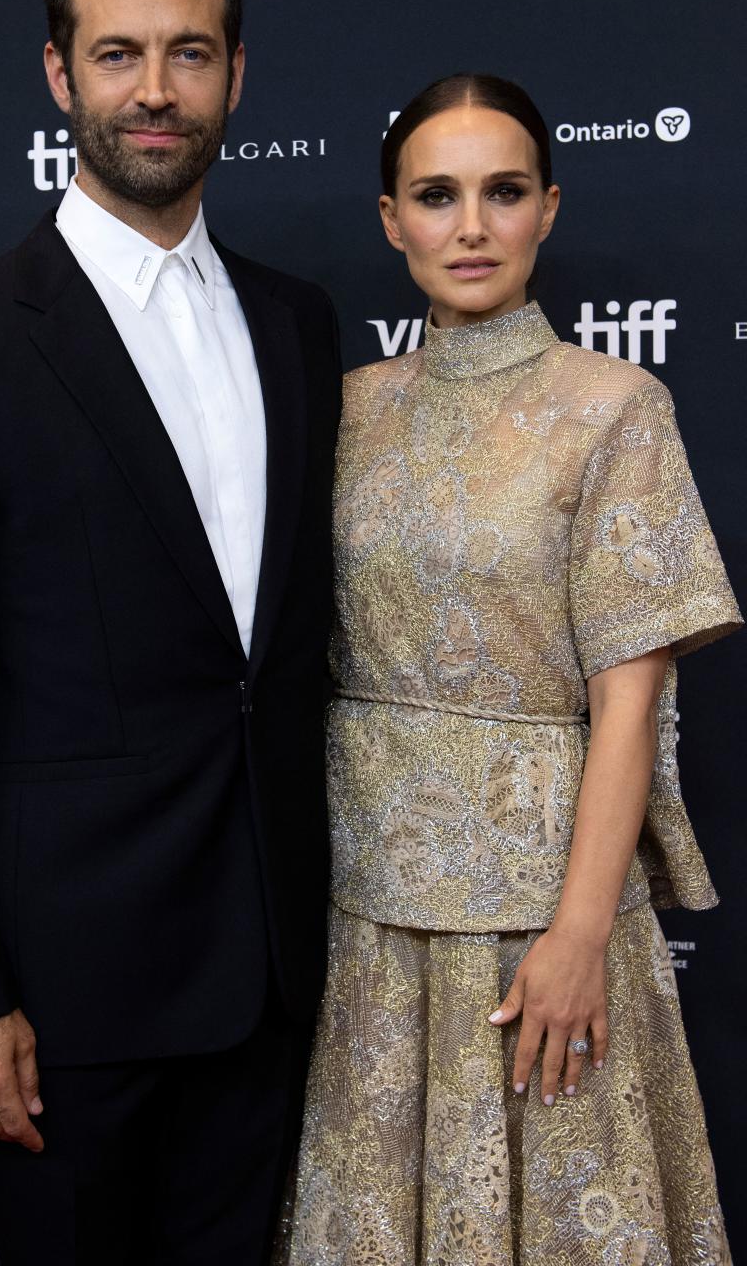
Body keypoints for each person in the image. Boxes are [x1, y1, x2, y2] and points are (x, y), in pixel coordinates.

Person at [0, 0, 341, 1266]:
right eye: (118, 54)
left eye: (190, 52)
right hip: (64, 1014)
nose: (156, 89)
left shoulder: (301, 324)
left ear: (237, 74)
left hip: (276, 983)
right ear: (61, 76)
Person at [277, 74, 740, 1265]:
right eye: (437, 196)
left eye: (504, 193)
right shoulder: (343, 412)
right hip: (371, 930)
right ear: (391, 220)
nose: (471, 226)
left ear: (548, 210)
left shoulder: (616, 406)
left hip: (546, 920)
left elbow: (629, 701)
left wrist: (580, 935)